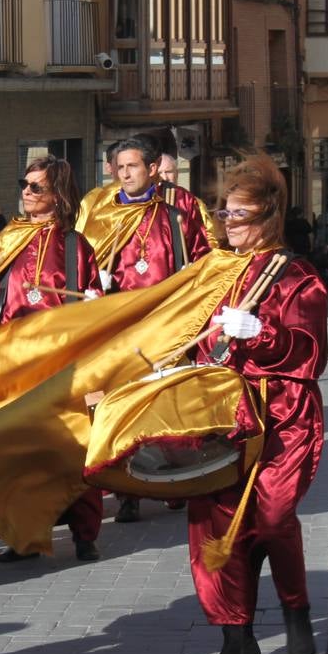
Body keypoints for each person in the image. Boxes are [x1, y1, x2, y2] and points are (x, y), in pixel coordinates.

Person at [184, 155, 328, 654]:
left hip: (284, 416)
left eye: (238, 215)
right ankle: (236, 639)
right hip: (223, 411)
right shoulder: (216, 271)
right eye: (224, 213)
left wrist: (261, 334)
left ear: (266, 217)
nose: (227, 223)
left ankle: (296, 609)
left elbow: (312, 355)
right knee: (214, 525)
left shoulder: (297, 276)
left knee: (270, 518)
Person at [0, 155, 105, 561]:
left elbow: (95, 305)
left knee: (71, 448)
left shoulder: (75, 245)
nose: (26, 191)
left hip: (59, 361)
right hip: (11, 360)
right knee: (17, 453)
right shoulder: (8, 239)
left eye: (36, 186)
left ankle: (84, 533)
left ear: (57, 195)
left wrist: (94, 301)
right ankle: (22, 536)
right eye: (25, 183)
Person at [75, 136, 214, 523]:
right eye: (119, 168)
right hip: (119, 328)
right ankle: (126, 491)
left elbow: (210, 256)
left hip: (168, 325)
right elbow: (81, 255)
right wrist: (92, 285)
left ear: (152, 169)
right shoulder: (99, 206)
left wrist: (194, 277)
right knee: (118, 408)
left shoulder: (182, 206)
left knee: (168, 404)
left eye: (132, 167)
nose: (124, 174)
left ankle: (175, 480)